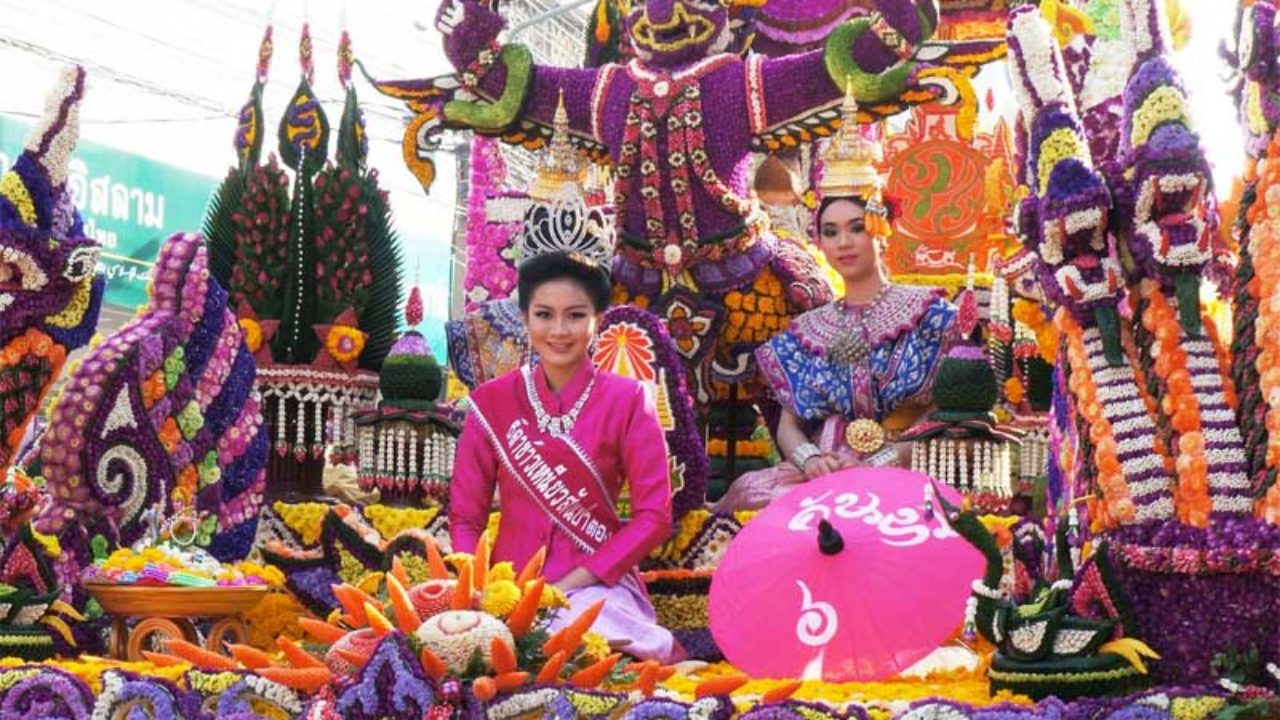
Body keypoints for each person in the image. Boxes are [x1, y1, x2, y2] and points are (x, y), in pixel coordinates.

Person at [714, 92, 957, 513]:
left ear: (880, 228)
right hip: (823, 472)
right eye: (830, 231)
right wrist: (810, 459)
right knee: (754, 503)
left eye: (855, 227)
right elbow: (790, 422)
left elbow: (946, 411)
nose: (843, 242)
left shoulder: (929, 314)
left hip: (901, 466)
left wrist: (883, 460)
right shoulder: (811, 328)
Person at [450, 249, 682, 663]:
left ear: (599, 321)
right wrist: (477, 586)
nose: (559, 330)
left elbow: (654, 516)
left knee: (588, 628)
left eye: (575, 315)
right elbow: (467, 519)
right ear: (524, 319)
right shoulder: (491, 403)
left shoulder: (628, 400)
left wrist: (578, 580)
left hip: (597, 583)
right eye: (544, 315)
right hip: (508, 587)